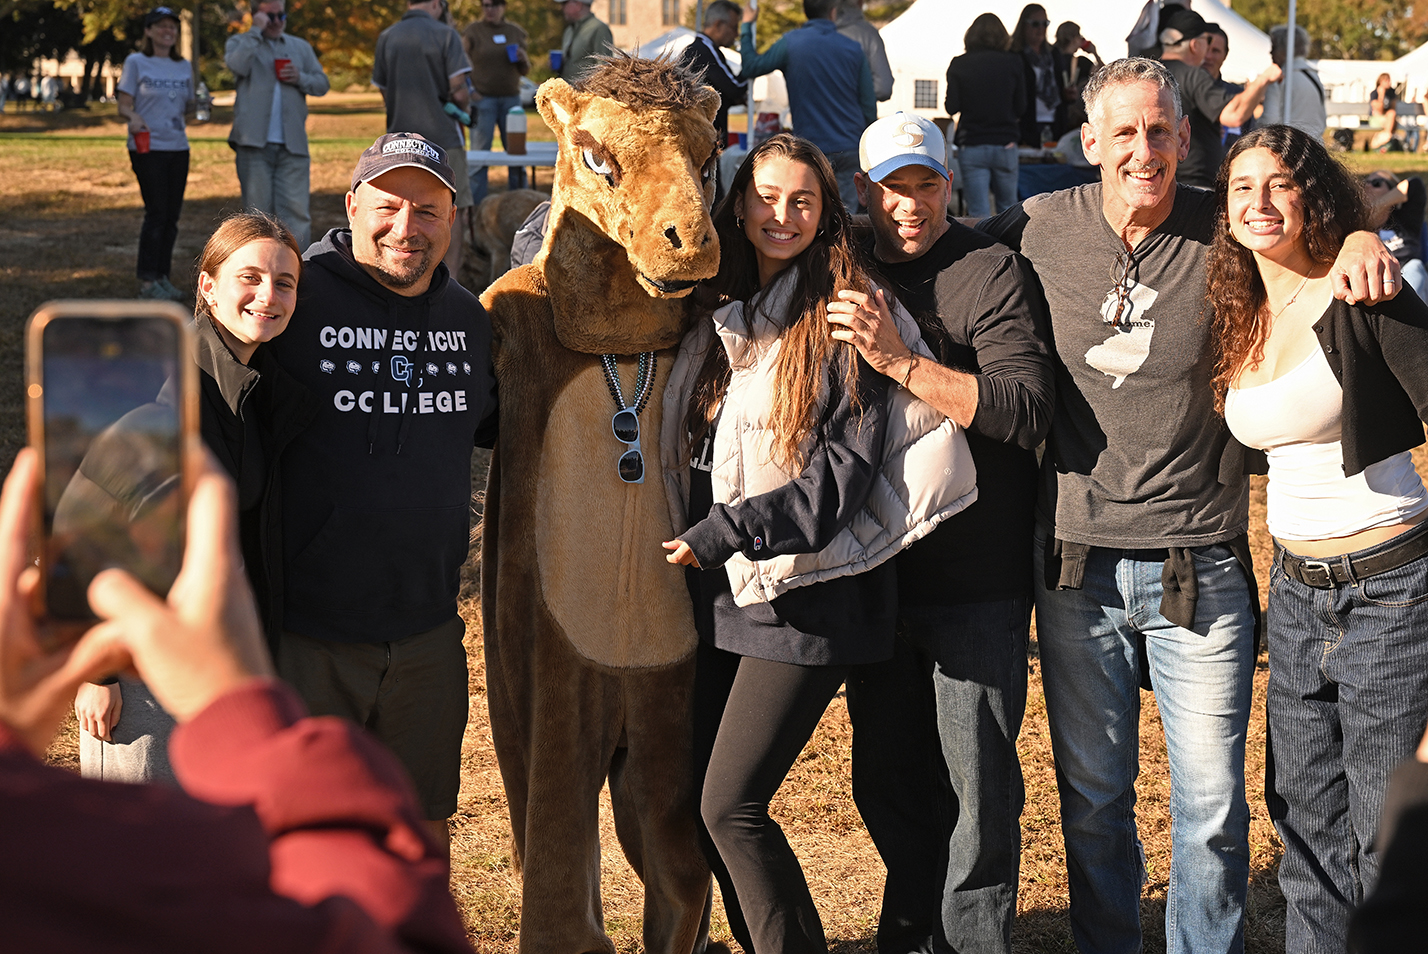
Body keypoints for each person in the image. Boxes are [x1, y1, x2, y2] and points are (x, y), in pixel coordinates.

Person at [974, 58, 1401, 954]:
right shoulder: (1039, 226)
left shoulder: (1226, 224)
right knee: (1093, 805)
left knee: (1209, 811)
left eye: (1161, 131)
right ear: (1086, 143)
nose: (1144, 150)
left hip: (1199, 566)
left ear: (1186, 138)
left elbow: (1311, 222)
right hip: (1075, 569)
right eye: (1123, 132)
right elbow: (937, 251)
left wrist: (1364, 239)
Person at [663, 132, 975, 954]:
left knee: (729, 804)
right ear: (739, 201)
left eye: (803, 200)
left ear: (826, 211)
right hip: (729, 587)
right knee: (705, 801)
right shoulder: (726, 302)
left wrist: (727, 529)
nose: (782, 214)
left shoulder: (843, 312)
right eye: (766, 196)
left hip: (810, 593)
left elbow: (841, 480)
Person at [0, 447, 473, 953]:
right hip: (154, 671)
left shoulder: (33, 862)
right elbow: (390, 928)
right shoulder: (86, 876)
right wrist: (238, 713)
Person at [833, 112, 1054, 954]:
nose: (911, 204)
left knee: (978, 787)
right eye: (893, 187)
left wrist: (900, 361)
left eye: (926, 185)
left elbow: (1025, 409)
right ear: (864, 192)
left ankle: (973, 942)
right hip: (874, 574)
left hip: (975, 577)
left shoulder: (989, 270)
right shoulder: (840, 261)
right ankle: (912, 927)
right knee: (886, 777)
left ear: (949, 185)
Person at [1207, 124, 1428, 954]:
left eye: (1281, 185)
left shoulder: (1362, 288)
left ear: (1313, 196)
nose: (1260, 204)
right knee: (1304, 828)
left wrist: (1370, 234)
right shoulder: (1238, 308)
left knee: (1385, 834)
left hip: (1393, 589)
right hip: (1296, 593)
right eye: (1242, 188)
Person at [266, 132, 498, 858]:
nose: (407, 227)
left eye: (427, 211)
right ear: (352, 205)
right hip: (311, 632)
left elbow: (505, 427)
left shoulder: (468, 319)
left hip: (428, 630)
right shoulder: (292, 298)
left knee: (420, 836)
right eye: (389, 206)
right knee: (306, 840)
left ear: (453, 219)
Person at [74, 211, 317, 783]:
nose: (268, 295)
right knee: (135, 851)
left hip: (218, 664)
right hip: (143, 675)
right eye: (249, 277)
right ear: (208, 287)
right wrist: (99, 673)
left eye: (285, 283)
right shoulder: (158, 388)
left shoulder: (258, 390)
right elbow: (81, 530)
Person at [738, 0, 875, 210]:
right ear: (833, 11)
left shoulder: (791, 43)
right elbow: (868, 104)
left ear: (805, 11)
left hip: (812, 148)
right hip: (849, 144)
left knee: (811, 213)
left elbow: (751, 66)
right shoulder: (853, 48)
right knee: (847, 220)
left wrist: (747, 26)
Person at [372, 0, 475, 279]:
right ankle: (447, 282)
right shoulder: (446, 34)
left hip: (397, 144)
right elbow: (459, 92)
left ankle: (402, 277)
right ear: (435, 3)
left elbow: (383, 90)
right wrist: (464, 109)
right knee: (452, 212)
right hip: (444, 138)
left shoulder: (387, 36)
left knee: (401, 214)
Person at [224, 0, 329, 250]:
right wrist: (254, 32)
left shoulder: (299, 47)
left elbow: (322, 84)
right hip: (253, 144)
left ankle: (299, 275)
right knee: (255, 216)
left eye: (282, 16)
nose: (278, 21)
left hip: (293, 145)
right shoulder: (241, 43)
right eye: (270, 16)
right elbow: (237, 65)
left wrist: (300, 77)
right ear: (256, 15)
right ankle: (257, 269)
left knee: (297, 215)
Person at [118, 6, 195, 301]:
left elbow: (188, 107)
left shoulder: (183, 65)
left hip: (178, 146)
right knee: (156, 213)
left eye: (172, 27)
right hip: (147, 146)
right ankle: (149, 283)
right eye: (161, 26)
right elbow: (123, 104)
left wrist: (203, 104)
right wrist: (132, 117)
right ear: (148, 31)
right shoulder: (136, 62)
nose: (168, 31)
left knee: (172, 216)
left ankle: (163, 277)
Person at [1156, 7, 1278, 190]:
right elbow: (1234, 115)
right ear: (1195, 45)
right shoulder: (1194, 76)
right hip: (1194, 187)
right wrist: (1264, 80)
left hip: (1158, 179)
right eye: (1207, 41)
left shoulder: (1148, 72)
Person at [945, 14, 1026, 218]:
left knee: (978, 213)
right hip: (1005, 142)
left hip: (972, 144)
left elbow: (951, 107)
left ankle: (982, 249)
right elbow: (1021, 107)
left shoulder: (959, 64)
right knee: (1009, 210)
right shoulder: (1013, 62)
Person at [676, 0, 747, 202]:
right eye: (733, 27)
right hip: (703, 139)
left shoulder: (696, 49)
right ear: (717, 24)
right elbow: (734, 88)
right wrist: (751, 64)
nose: (735, 34)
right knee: (712, 197)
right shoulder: (705, 51)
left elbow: (724, 92)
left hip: (697, 138)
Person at [462, 0, 530, 207]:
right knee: (480, 156)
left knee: (517, 155)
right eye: (485, 5)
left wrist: (522, 58)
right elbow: (460, 63)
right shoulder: (473, 31)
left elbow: (524, 70)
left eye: (493, 5)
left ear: (503, 7)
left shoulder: (515, 32)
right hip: (484, 100)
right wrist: (470, 91)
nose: (489, 9)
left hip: (512, 101)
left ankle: (520, 206)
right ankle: (476, 211)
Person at [1009, 4, 1069, 147]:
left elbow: (1061, 86)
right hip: (1026, 124)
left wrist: (1068, 95)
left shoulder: (1054, 54)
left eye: (1045, 23)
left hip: (1055, 122)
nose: (1041, 29)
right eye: (1035, 24)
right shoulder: (1014, 55)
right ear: (1023, 25)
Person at [1363, 169, 1428, 301]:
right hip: (1375, 279)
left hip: (1406, 272)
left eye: (1376, 183)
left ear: (1392, 190)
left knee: (1415, 266)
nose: (1368, 186)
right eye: (1365, 182)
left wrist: (1377, 206)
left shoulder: (1405, 218)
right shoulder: (1357, 224)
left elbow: (1414, 184)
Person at [1259, 24, 1327, 142]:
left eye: (1274, 47)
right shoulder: (1315, 77)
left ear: (1284, 50)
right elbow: (1322, 119)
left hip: (1289, 149)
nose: (1270, 53)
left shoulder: (1279, 79)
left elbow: (1269, 123)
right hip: (1316, 148)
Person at [834, 0, 892, 102]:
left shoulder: (805, 37)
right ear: (860, 3)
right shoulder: (867, 34)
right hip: (854, 113)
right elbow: (883, 88)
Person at [1202, 24, 1248, 148]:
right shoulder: (1180, 92)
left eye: (1215, 51)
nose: (1208, 56)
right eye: (1205, 49)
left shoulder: (1239, 96)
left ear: (1225, 55)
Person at [1053, 21, 1101, 128]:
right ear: (1073, 38)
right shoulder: (1081, 62)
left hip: (1052, 113)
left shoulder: (1050, 58)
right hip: (1072, 116)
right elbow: (1104, 75)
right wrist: (1094, 53)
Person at [555, 0, 613, 82]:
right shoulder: (569, 30)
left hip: (586, 92)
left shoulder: (599, 28)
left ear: (578, 5)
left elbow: (604, 68)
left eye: (564, 4)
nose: (561, 8)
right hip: (566, 91)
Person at [1369, 73, 1400, 151]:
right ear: (1380, 82)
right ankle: (1385, 138)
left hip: (1388, 118)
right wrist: (1381, 95)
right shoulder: (1375, 93)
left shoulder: (1391, 93)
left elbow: (1393, 108)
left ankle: (1382, 140)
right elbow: (1379, 110)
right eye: (1386, 80)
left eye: (1389, 80)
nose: (1389, 82)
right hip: (1376, 119)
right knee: (1391, 116)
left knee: (1392, 113)